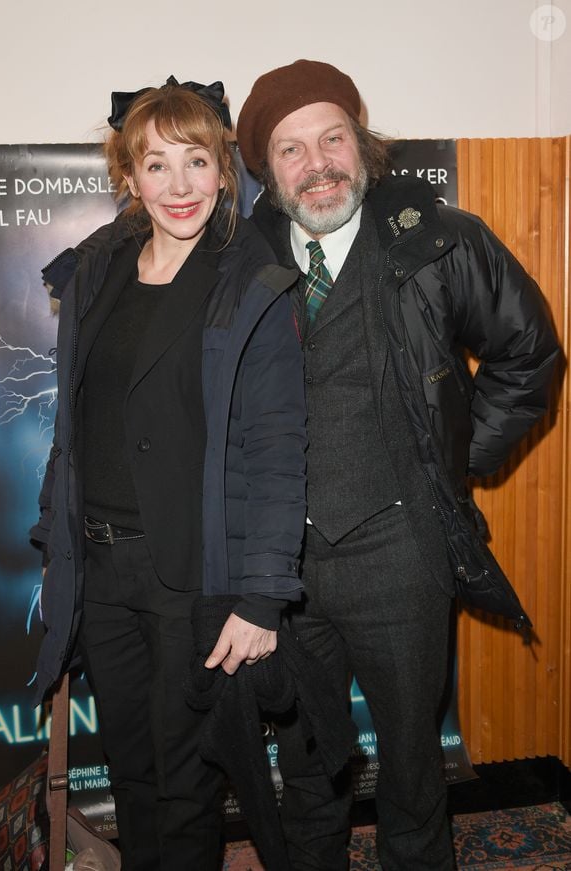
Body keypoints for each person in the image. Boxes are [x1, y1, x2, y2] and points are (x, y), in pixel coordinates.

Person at [236, 59, 561, 871]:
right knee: (307, 768)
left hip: (405, 558)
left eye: (333, 138)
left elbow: (531, 352)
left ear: (361, 142)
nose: (319, 164)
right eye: (292, 150)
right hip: (284, 569)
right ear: (268, 173)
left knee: (414, 767)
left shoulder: (441, 239)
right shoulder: (235, 263)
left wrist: (450, 464)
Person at [30, 76, 307, 870]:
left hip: (193, 572)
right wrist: (58, 543)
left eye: (196, 161)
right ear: (128, 174)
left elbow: (279, 447)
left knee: (187, 783)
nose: (178, 185)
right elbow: (75, 429)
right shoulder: (97, 273)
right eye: (156, 165)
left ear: (225, 171)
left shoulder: (250, 283)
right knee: (132, 771)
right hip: (103, 567)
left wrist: (261, 596)